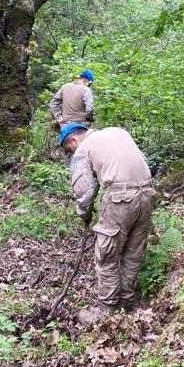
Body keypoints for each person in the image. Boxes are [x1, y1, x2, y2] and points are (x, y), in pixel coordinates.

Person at [60, 123, 154, 315]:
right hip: (148, 193)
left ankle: (108, 312)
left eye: (69, 149)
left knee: (107, 256)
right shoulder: (119, 132)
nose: (72, 153)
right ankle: (126, 305)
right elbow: (145, 164)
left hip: (120, 199)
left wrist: (84, 214)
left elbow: (84, 190)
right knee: (133, 253)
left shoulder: (84, 148)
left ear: (74, 140)